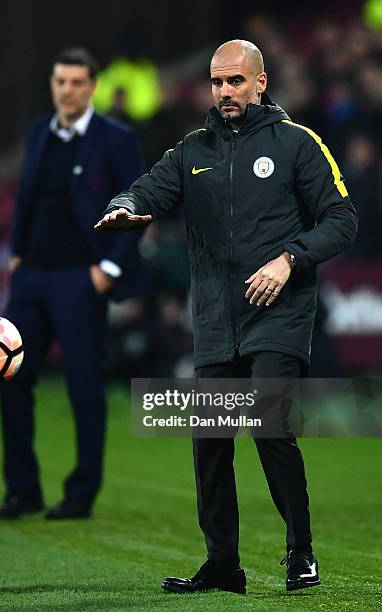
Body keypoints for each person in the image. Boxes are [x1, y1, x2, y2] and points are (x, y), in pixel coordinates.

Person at [95, 40, 358, 593]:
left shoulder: (297, 144)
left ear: (260, 83)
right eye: (216, 82)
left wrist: (290, 259)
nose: (224, 92)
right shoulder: (193, 150)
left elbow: (341, 219)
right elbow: (150, 188)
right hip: (217, 315)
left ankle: (300, 552)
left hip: (278, 312)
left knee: (267, 422)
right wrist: (125, 206)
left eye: (235, 82)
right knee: (209, 438)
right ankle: (222, 565)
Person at [0, 47, 146, 521]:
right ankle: (22, 490)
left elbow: (137, 203)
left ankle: (81, 493)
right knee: (10, 379)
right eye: (61, 82)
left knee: (83, 386)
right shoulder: (40, 131)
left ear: (93, 85)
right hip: (32, 274)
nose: (68, 90)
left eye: (77, 82)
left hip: (82, 276)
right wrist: (16, 254)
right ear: (53, 85)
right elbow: (27, 199)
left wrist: (109, 270)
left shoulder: (116, 138)